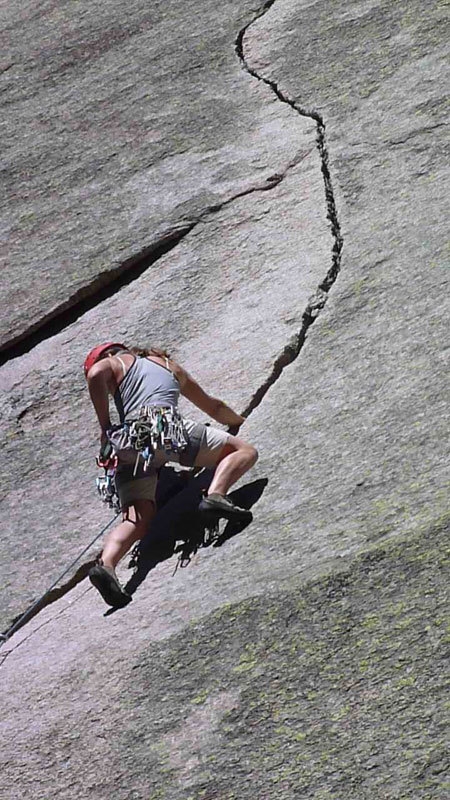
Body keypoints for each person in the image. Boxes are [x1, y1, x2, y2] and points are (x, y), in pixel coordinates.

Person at [84, 342, 258, 608]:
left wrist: (106, 428)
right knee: (243, 451)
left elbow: (96, 373)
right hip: (164, 430)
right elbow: (213, 407)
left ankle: (106, 564)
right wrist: (239, 422)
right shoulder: (171, 368)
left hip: (128, 445)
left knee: (137, 518)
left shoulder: (117, 361)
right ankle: (215, 495)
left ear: (108, 353)